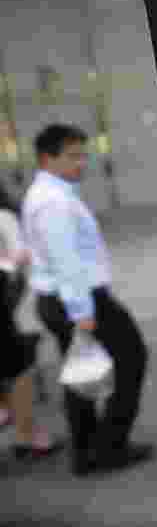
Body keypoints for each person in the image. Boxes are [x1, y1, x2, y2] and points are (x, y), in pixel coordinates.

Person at [24, 124, 153, 476]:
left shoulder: (48, 193)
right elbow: (66, 261)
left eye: (83, 154)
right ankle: (109, 446)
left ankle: (88, 451)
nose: (82, 163)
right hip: (78, 299)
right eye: (73, 156)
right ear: (47, 158)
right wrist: (82, 311)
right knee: (131, 358)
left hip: (60, 298)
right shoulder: (53, 202)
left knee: (79, 372)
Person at [0, 180, 63, 461]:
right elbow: (17, 260)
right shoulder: (5, 216)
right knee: (18, 365)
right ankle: (27, 435)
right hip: (5, 296)